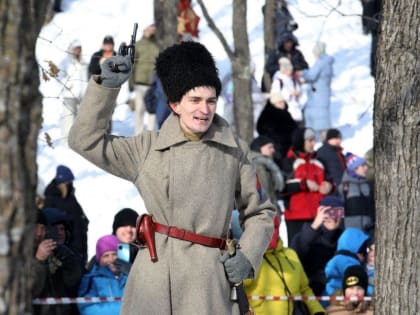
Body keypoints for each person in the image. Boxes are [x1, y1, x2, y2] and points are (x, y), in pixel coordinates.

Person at [68, 41, 275, 314]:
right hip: (153, 282)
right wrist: (107, 86)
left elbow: (261, 212)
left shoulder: (234, 151)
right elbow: (85, 140)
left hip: (208, 284)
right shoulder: (146, 149)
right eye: (195, 100)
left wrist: (247, 255)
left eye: (211, 100)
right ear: (175, 104)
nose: (205, 109)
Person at [244, 215, 326, 315]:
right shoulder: (249, 258)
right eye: (267, 228)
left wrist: (317, 310)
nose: (272, 232)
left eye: (275, 227)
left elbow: (305, 289)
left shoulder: (290, 255)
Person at [282, 127, 333, 244]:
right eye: (309, 140)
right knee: (298, 253)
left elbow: (331, 180)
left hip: (319, 215)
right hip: (296, 217)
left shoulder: (319, 160)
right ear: (301, 142)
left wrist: (329, 186)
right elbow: (281, 187)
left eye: (314, 140)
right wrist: (304, 184)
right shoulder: (289, 161)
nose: (313, 143)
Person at [32, 208, 83, 315]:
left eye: (42, 228)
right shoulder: (21, 255)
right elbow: (31, 290)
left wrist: (63, 260)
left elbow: (74, 283)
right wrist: (39, 261)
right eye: (36, 227)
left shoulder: (57, 250)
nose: (39, 233)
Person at [290, 195, 344, 296]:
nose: (332, 217)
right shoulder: (304, 236)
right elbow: (296, 255)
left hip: (337, 291)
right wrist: (314, 225)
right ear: (319, 213)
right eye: (327, 212)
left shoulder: (344, 239)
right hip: (310, 290)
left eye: (337, 212)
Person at [44, 164, 89, 265]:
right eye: (67, 182)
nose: (70, 185)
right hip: (64, 254)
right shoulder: (51, 200)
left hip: (79, 252)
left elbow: (81, 220)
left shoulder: (71, 199)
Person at [78, 235, 128, 315]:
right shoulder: (92, 279)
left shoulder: (129, 276)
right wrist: (124, 311)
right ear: (99, 259)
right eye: (106, 256)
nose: (111, 259)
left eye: (114, 254)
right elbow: (86, 308)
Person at [299, 41, 334, 141]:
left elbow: (311, 75)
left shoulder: (320, 62)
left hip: (317, 96)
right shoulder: (327, 62)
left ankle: (320, 140)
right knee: (322, 119)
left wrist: (302, 73)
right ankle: (324, 139)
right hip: (323, 94)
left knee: (319, 119)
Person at [324, 227, 372, 296]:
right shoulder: (348, 262)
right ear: (357, 249)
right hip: (339, 297)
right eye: (363, 250)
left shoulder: (340, 259)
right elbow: (358, 282)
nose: (365, 255)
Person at [132, 24, 160, 134]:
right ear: (145, 29)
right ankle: (138, 134)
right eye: (151, 27)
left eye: (154, 27)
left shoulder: (157, 45)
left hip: (153, 83)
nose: (153, 29)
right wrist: (131, 82)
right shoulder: (138, 45)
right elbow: (132, 63)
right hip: (140, 83)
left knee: (152, 110)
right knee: (139, 110)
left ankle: (151, 134)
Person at [58, 39, 88, 142]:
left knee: (80, 121)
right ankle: (66, 142)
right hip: (69, 95)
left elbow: (86, 78)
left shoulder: (83, 63)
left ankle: (77, 142)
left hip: (82, 95)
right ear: (71, 49)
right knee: (68, 119)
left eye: (79, 49)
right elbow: (59, 76)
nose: (77, 51)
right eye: (76, 49)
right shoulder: (65, 62)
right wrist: (68, 83)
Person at [339, 154, 375, 235]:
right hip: (350, 233)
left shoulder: (368, 185)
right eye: (362, 166)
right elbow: (338, 210)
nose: (366, 168)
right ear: (354, 169)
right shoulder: (344, 187)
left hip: (369, 232)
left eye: (365, 165)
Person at [256, 92, 298, 161]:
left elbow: (294, 128)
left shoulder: (286, 113)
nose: (282, 104)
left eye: (283, 102)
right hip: (276, 147)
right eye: (279, 102)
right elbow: (261, 128)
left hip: (289, 147)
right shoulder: (267, 114)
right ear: (274, 103)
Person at [249, 136, 285, 214]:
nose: (273, 150)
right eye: (270, 147)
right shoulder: (258, 167)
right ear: (259, 148)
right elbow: (263, 194)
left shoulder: (265, 165)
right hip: (264, 213)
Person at [271, 57, 305, 126]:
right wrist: (289, 94)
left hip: (297, 112)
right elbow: (275, 97)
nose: (290, 71)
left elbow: (299, 90)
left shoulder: (293, 80)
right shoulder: (278, 81)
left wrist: (297, 93)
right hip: (285, 113)